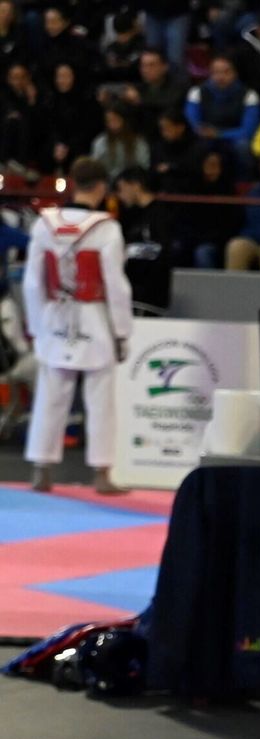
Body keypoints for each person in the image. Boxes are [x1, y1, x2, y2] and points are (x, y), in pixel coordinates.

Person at [22, 158, 133, 495]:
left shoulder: (45, 224)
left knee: (51, 395)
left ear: (73, 183)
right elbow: (116, 285)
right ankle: (101, 474)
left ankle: (42, 469)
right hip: (94, 315)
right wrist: (122, 331)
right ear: (100, 187)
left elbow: (32, 282)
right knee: (100, 400)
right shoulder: (106, 229)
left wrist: (37, 326)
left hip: (56, 314)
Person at [112, 166, 176, 313]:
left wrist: (126, 251)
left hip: (150, 295)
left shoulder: (160, 214)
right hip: (132, 294)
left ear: (135, 185)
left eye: (122, 189)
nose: (120, 196)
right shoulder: (132, 216)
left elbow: (161, 249)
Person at [185, 55, 260, 166]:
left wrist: (219, 134)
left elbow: (248, 130)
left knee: (243, 146)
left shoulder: (249, 95)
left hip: (234, 138)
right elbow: (191, 123)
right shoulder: (197, 92)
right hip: (205, 137)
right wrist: (203, 132)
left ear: (235, 73)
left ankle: (244, 181)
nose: (220, 77)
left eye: (226, 72)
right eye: (216, 72)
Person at [90, 104, 149, 175]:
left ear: (125, 120)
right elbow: (95, 168)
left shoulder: (138, 142)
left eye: (116, 120)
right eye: (109, 121)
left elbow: (143, 167)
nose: (112, 125)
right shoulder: (100, 142)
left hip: (131, 182)